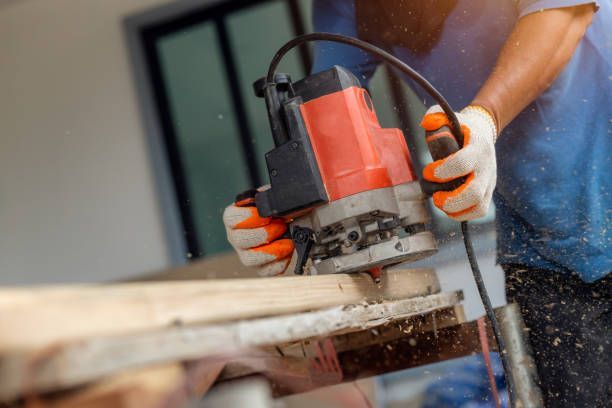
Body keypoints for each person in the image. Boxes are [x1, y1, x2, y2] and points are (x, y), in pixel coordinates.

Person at [223, 1, 611, 406]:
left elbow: (565, 12)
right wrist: (291, 209)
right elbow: (326, 116)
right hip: (542, 247)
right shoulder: (346, 6)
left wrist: (484, 118)